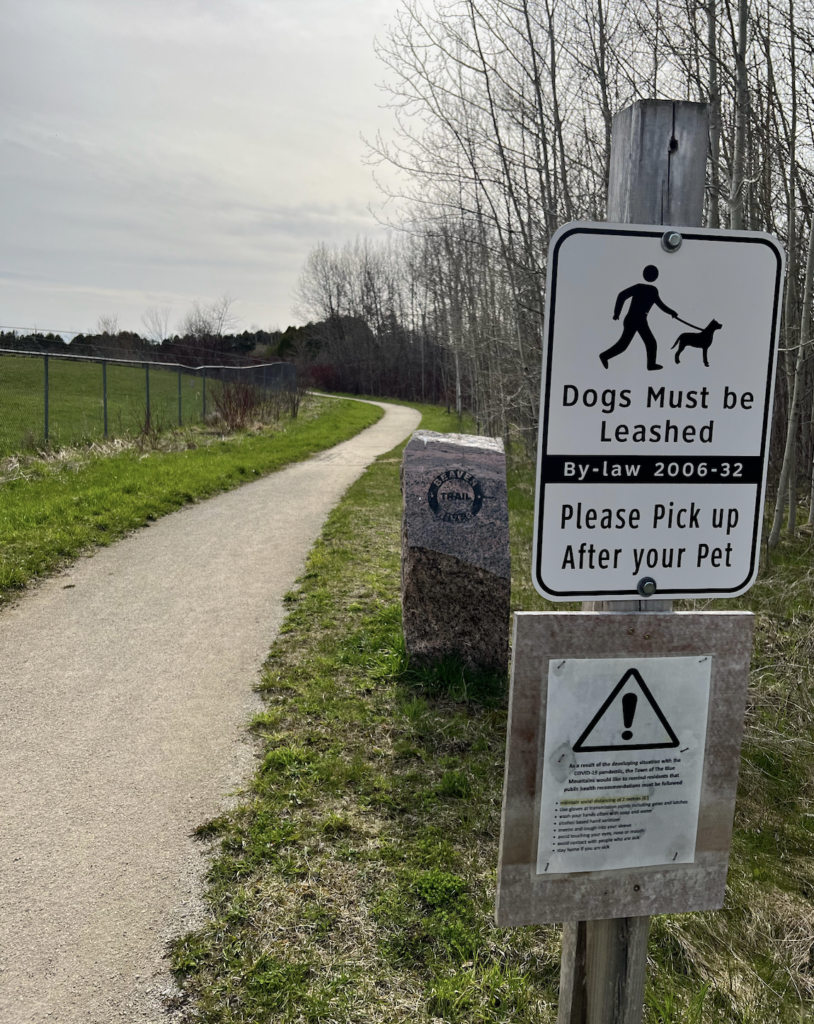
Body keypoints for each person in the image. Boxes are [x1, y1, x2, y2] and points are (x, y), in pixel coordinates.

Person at [600, 265, 678, 371]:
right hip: (634, 320)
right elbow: (622, 296)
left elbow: (622, 296)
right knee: (625, 345)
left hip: (639, 320)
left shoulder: (647, 289)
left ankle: (651, 365)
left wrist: (671, 312)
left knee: (648, 342)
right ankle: (604, 356)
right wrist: (616, 313)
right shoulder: (648, 289)